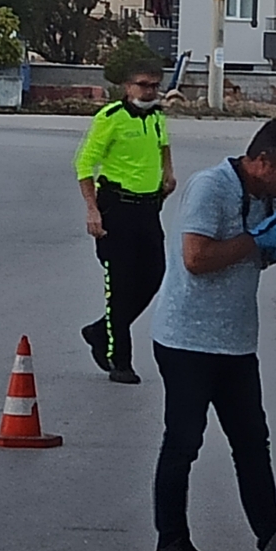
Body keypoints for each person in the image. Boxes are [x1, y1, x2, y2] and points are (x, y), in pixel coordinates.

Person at [148, 116, 276, 551]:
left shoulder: (263, 198)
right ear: (263, 161)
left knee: (251, 443)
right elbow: (197, 259)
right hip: (187, 340)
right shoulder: (211, 187)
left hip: (236, 342)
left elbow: (244, 258)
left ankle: (274, 539)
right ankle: (172, 542)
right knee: (183, 441)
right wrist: (255, 241)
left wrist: (271, 251)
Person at [75, 57, 175, 385]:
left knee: (154, 276)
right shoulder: (111, 118)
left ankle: (99, 330)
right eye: (143, 85)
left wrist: (168, 174)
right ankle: (121, 361)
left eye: (154, 85)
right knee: (120, 286)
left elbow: (163, 147)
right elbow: (84, 165)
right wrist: (92, 210)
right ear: (127, 87)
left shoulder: (157, 117)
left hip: (148, 209)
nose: (149, 91)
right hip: (115, 208)